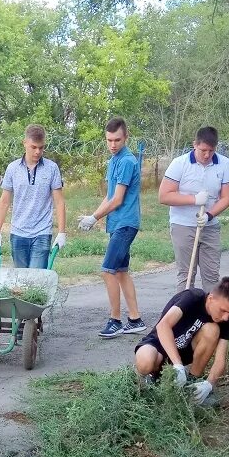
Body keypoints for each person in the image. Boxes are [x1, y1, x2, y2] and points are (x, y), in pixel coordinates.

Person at [78, 117, 147, 339]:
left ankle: (115, 320)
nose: (113, 144)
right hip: (118, 224)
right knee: (120, 272)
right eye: (109, 140)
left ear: (126, 138)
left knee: (107, 270)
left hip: (126, 224)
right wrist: (93, 216)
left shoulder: (127, 161)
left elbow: (117, 200)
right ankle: (135, 319)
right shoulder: (114, 160)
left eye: (117, 140)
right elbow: (109, 196)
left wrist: (95, 217)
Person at [133, 276, 229, 407]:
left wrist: (209, 384)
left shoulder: (227, 321)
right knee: (145, 361)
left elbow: (221, 359)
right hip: (159, 345)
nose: (226, 317)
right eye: (223, 310)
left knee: (212, 330)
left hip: (184, 352)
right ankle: (146, 383)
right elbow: (163, 326)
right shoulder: (192, 297)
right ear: (211, 299)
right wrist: (178, 365)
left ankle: (191, 385)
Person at [158, 126, 229, 291]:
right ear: (195, 144)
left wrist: (209, 215)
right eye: (203, 150)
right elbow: (164, 196)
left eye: (211, 150)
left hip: (209, 226)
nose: (207, 155)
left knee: (212, 276)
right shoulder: (179, 164)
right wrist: (194, 199)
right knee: (186, 275)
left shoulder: (224, 164)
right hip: (183, 225)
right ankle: (184, 315)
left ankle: (210, 316)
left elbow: (227, 197)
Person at [0, 124, 66, 267]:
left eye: (41, 147)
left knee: (36, 279)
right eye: (34, 147)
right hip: (18, 233)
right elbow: (4, 201)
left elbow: (59, 202)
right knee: (22, 281)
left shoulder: (51, 168)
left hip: (42, 232)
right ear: (24, 143)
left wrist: (62, 232)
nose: (38, 152)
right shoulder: (12, 168)